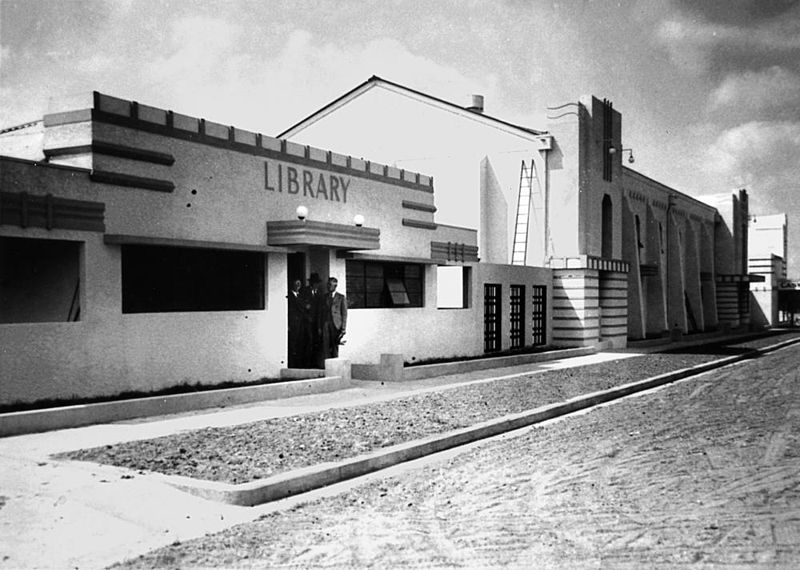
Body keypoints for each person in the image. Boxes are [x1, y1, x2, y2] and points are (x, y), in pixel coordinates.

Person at [320, 276, 347, 362]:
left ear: (335, 286)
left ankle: (335, 366)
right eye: (328, 285)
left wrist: (343, 328)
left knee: (335, 346)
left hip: (336, 325)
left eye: (330, 285)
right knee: (326, 346)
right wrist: (319, 326)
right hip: (326, 324)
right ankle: (327, 365)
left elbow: (344, 314)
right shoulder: (324, 297)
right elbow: (320, 313)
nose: (328, 287)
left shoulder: (341, 297)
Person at [300, 273, 323, 368]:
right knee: (308, 341)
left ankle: (315, 363)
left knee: (316, 341)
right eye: (314, 283)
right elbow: (301, 307)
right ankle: (306, 363)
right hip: (307, 321)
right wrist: (307, 315)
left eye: (317, 283)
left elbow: (320, 308)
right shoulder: (304, 291)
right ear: (311, 283)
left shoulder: (319, 293)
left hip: (316, 321)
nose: (316, 285)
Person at [286, 278, 307, 368]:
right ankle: (292, 364)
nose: (298, 286)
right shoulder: (289, 296)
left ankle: (299, 364)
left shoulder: (301, 295)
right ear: (292, 284)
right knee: (293, 343)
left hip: (301, 323)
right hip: (293, 323)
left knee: (300, 342)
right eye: (296, 283)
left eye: (300, 284)